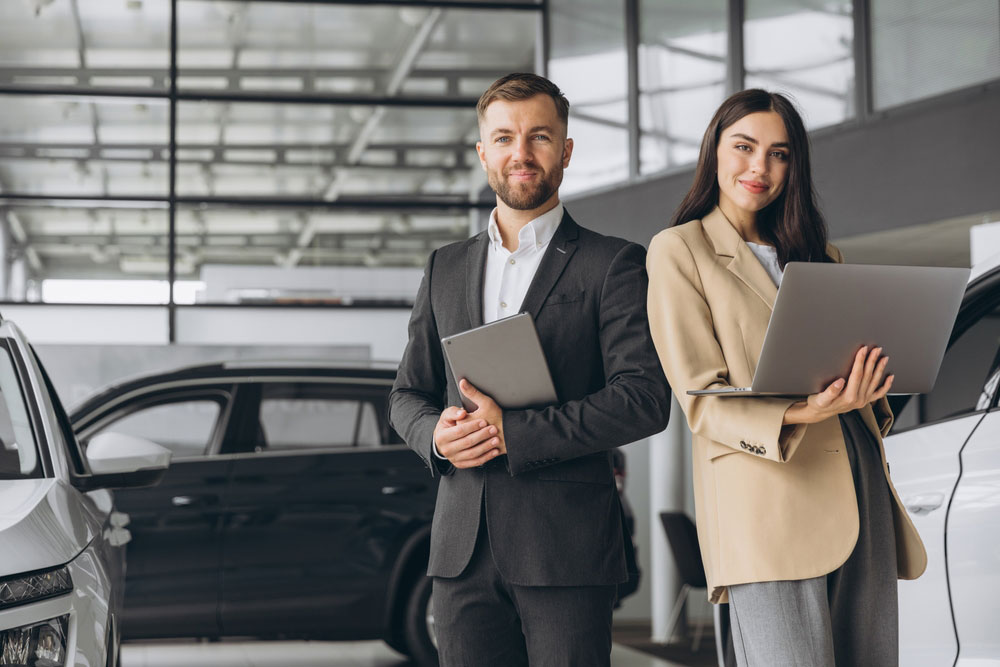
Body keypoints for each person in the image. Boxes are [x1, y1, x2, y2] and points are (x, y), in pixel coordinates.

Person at [388, 72, 670, 667]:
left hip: (565, 549)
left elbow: (644, 398)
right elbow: (407, 394)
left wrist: (511, 433)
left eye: (539, 137)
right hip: (461, 550)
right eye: (505, 137)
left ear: (565, 151)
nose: (521, 153)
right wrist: (434, 437)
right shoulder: (444, 267)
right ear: (482, 151)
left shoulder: (613, 263)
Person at [645, 89, 927, 667]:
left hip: (857, 481)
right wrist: (806, 411)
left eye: (779, 154)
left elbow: (846, 376)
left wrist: (867, 386)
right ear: (714, 152)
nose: (760, 168)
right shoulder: (680, 250)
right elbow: (702, 399)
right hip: (768, 495)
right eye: (744, 147)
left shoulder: (821, 255)